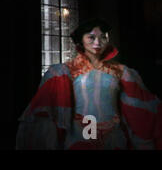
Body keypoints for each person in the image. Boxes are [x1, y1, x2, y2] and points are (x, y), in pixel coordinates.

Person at [16, 18, 162, 149]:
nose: (98, 43)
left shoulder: (122, 72)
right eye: (91, 38)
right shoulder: (65, 71)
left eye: (103, 37)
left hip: (114, 133)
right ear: (81, 41)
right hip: (81, 133)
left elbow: (138, 105)